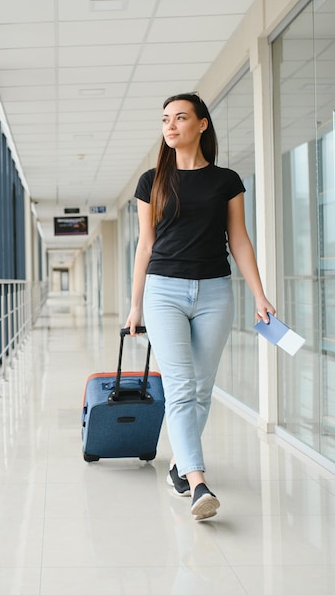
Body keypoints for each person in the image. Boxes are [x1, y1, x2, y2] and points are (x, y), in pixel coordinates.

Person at [125, 92, 275, 521]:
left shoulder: (225, 181)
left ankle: (178, 463)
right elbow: (145, 246)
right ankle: (197, 481)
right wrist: (135, 305)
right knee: (179, 385)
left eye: (180, 118)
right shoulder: (151, 182)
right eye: (165, 119)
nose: (170, 126)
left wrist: (259, 294)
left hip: (215, 293)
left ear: (202, 124)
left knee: (201, 388)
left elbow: (239, 239)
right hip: (164, 292)